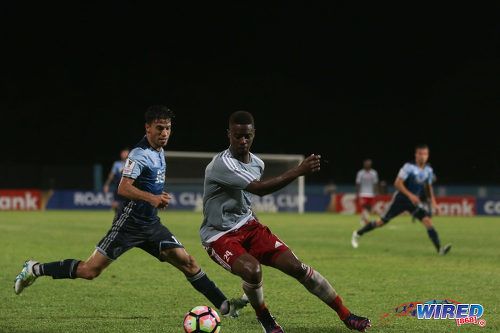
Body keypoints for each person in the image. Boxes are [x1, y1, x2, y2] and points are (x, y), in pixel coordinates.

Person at [14, 105, 247, 318]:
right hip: (128, 225)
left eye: (168, 128)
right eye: (159, 128)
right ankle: (35, 268)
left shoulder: (159, 150)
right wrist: (153, 198)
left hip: (151, 225)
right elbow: (123, 187)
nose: (165, 133)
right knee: (89, 270)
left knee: (187, 262)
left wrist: (154, 199)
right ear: (147, 128)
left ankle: (224, 307)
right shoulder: (139, 153)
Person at [200, 111, 371, 333]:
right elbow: (259, 190)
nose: (243, 141)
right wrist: (298, 171)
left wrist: (257, 229)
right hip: (219, 235)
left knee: (297, 267)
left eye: (247, 136)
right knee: (253, 271)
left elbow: (247, 199)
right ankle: (265, 318)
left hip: (248, 226)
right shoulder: (222, 164)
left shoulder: (257, 164)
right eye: (237, 136)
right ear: (229, 134)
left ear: (254, 135)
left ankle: (346, 315)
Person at [351, 144, 451, 255]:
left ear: (428, 156)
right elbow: (397, 184)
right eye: (420, 154)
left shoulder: (428, 170)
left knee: (427, 221)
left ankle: (440, 250)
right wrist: (410, 195)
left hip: (414, 202)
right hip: (400, 200)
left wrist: (433, 201)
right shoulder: (408, 167)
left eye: (425, 154)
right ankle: (358, 233)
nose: (423, 156)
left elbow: (429, 186)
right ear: (416, 155)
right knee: (381, 222)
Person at [355, 159, 379, 225]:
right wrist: (357, 193)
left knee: (370, 208)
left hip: (371, 194)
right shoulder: (360, 173)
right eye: (366, 163)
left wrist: (376, 192)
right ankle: (364, 220)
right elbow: (358, 183)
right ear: (364, 164)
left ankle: (365, 218)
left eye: (369, 164)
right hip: (363, 193)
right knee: (364, 207)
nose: (367, 165)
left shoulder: (374, 173)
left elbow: (375, 183)